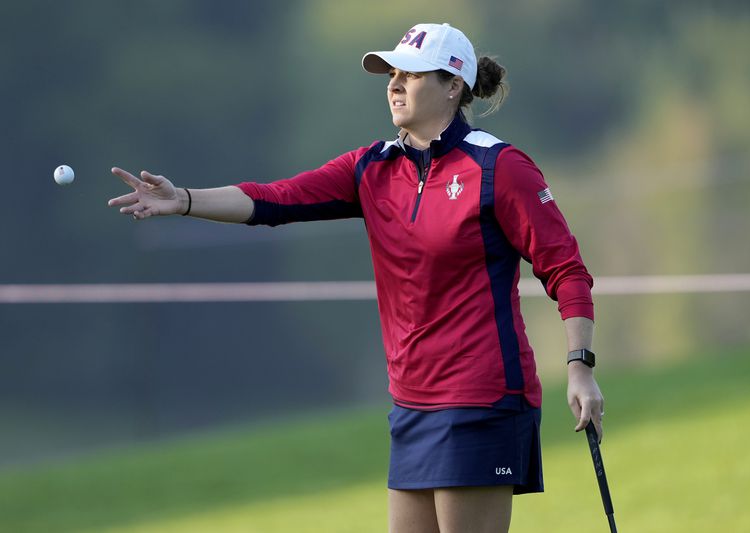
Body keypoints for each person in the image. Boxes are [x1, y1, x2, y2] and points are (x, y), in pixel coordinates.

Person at [108, 22, 605, 533]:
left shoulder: (499, 167)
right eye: (391, 73)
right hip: (411, 402)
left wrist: (579, 366)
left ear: (453, 85)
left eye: (409, 74)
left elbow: (566, 269)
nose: (393, 84)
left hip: (481, 398)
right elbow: (275, 199)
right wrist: (183, 199)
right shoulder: (372, 168)